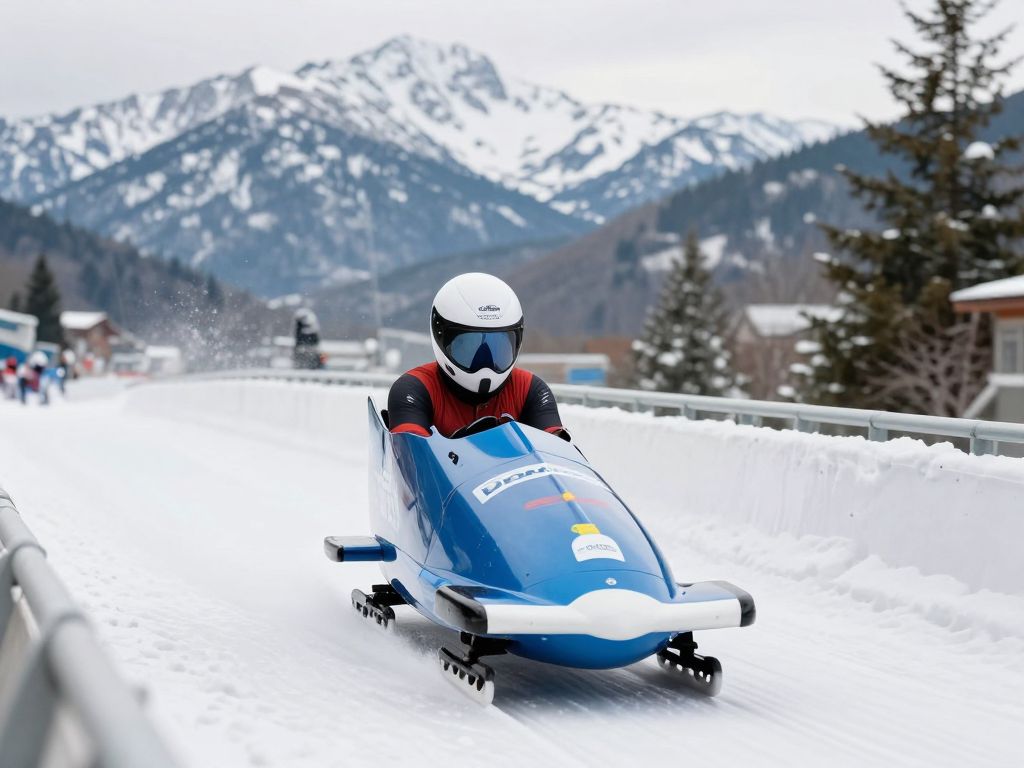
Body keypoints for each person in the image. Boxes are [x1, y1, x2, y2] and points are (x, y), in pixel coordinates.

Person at [387, 273, 566, 439]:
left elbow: (556, 448)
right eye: (470, 347)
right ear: (442, 336)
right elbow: (410, 455)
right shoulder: (413, 389)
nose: (485, 365)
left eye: (498, 347)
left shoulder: (530, 389)